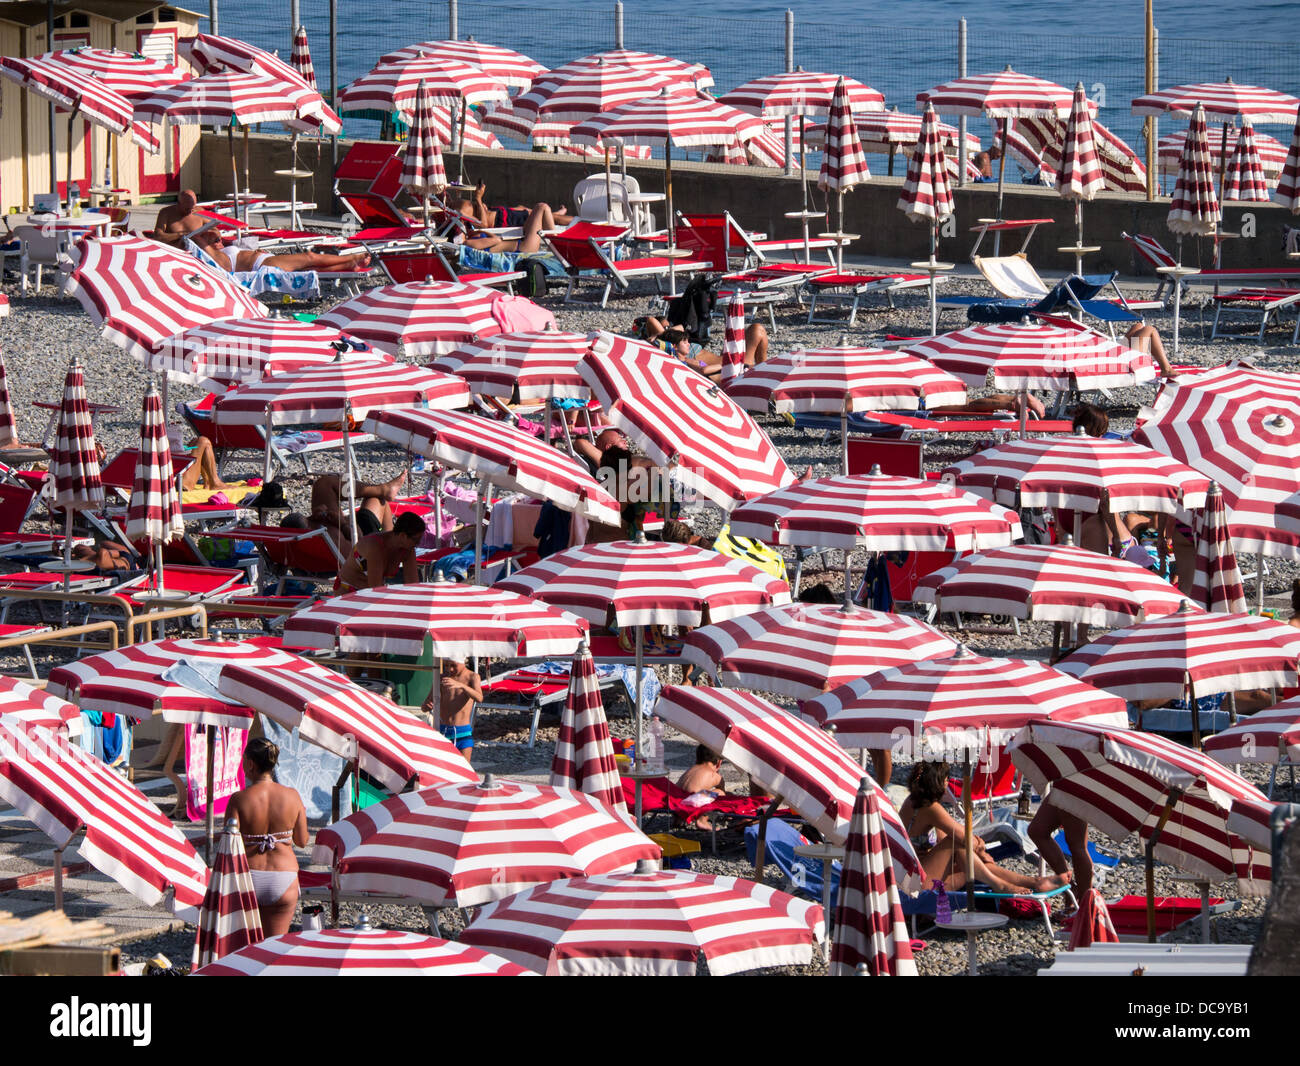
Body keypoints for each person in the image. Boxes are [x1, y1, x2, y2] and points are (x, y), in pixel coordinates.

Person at [898, 761, 1070, 895]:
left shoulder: (913, 802)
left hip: (914, 875)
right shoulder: (930, 808)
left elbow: (943, 840)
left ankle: (1034, 882)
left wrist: (974, 848)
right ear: (938, 782)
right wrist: (979, 847)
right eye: (946, 780)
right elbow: (964, 838)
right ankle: (1003, 885)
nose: (947, 783)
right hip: (914, 885)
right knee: (959, 844)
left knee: (966, 855)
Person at [226, 737, 309, 936]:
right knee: (274, 947)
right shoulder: (292, 796)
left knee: (247, 948)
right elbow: (302, 841)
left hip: (248, 876)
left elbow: (229, 845)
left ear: (251, 764)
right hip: (284, 875)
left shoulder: (238, 799)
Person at [190, 225, 372, 274]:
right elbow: (194, 236)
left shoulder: (222, 251)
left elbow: (211, 232)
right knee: (309, 257)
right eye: (216, 240)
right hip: (263, 264)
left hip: (265, 261)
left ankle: (350, 266)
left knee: (309, 270)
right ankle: (352, 259)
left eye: (221, 239)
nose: (221, 241)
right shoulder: (216, 257)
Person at [303, 470, 408, 550]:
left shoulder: (299, 539)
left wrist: (313, 519)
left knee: (324, 483)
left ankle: (382, 490)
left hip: (336, 530)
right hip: (361, 547)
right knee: (377, 500)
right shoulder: (331, 539)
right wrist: (343, 523)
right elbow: (358, 546)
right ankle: (392, 552)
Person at [335, 510, 426, 592]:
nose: (418, 544)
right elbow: (376, 589)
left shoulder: (407, 549)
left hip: (369, 591)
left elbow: (413, 585)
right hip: (347, 590)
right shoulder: (376, 546)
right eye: (416, 540)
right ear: (402, 535)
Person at [1026, 793, 1093, 897]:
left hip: (1074, 788)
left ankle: (1085, 900)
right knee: (1037, 831)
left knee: (1077, 846)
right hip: (1062, 786)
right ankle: (1069, 887)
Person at [451, 197, 561, 253]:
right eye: (463, 230)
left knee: (533, 211)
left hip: (521, 243)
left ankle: (556, 246)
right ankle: (558, 249)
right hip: (524, 248)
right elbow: (496, 240)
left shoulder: (472, 239)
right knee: (542, 207)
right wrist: (482, 231)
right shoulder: (469, 243)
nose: (465, 229)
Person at [426, 659, 483, 762]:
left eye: (453, 665)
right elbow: (424, 705)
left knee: (465, 771)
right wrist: (427, 706)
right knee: (443, 769)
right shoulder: (441, 678)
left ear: (464, 660)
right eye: (446, 665)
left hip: (463, 732)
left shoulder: (472, 677)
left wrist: (462, 686)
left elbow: (479, 698)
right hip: (443, 731)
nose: (449, 669)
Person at [464, 181, 573, 230]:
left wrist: (482, 206)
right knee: (551, 217)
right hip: (502, 220)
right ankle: (582, 222)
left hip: (500, 214)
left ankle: (554, 214)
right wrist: (478, 199)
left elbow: (480, 213)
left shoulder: (454, 208)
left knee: (523, 208)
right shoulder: (460, 212)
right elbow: (483, 224)